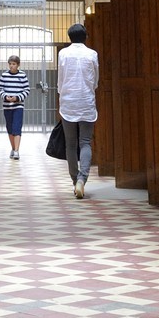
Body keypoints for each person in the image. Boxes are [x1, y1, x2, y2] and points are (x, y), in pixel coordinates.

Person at [56, 23, 99, 198]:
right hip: (86, 102)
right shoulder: (92, 54)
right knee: (85, 142)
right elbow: (95, 79)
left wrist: (62, 92)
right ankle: (82, 179)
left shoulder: (63, 53)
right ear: (86, 36)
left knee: (71, 144)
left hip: (68, 103)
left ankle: (75, 180)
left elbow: (60, 79)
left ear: (69, 37)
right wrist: (90, 89)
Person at [0, 54, 30, 159]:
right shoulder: (4, 75)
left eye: (14, 64)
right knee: (9, 128)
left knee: (17, 127)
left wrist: (17, 98)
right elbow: (0, 89)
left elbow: (27, 90)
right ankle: (13, 148)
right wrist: (5, 96)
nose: (11, 66)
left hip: (18, 106)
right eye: (10, 64)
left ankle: (16, 150)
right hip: (7, 106)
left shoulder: (22, 75)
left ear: (18, 65)